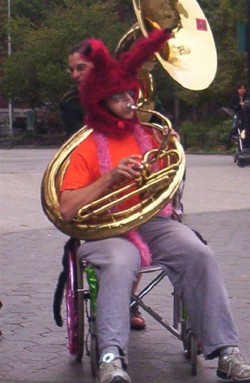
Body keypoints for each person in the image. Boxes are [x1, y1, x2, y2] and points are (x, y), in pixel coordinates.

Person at [59, 30, 250, 383]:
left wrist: (173, 154)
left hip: (153, 222)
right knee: (121, 262)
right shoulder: (86, 148)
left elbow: (171, 185)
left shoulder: (153, 136)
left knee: (198, 253)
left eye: (130, 94)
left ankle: (227, 352)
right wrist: (109, 179)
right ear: (100, 102)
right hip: (105, 229)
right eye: (119, 97)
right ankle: (111, 357)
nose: (129, 101)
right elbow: (67, 207)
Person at [58, 42, 146, 330]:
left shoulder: (123, 91)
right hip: (91, 183)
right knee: (117, 252)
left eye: (80, 68)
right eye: (70, 69)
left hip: (132, 195)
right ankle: (112, 301)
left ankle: (128, 299)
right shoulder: (71, 102)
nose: (73, 74)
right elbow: (75, 149)